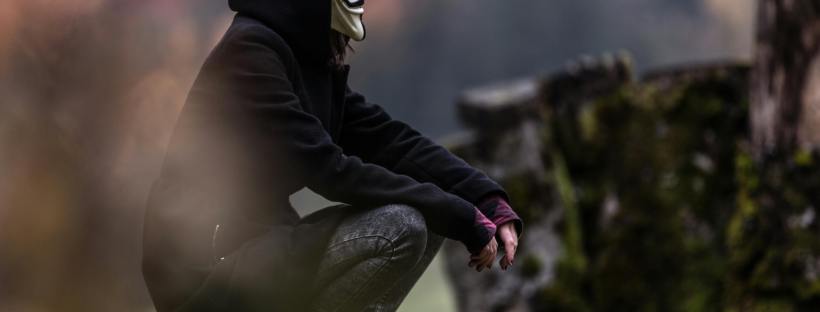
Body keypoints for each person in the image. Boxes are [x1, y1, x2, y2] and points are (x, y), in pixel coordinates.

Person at [141, 0, 523, 311]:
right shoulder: (251, 52)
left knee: (434, 215)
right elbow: (328, 169)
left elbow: (389, 140)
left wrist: (485, 199)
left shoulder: (302, 57)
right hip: (206, 277)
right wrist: (460, 215)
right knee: (401, 226)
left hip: (262, 251)